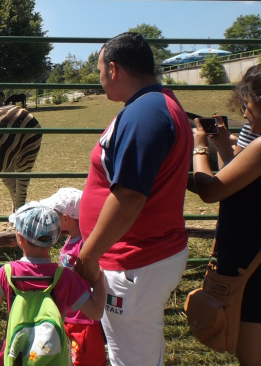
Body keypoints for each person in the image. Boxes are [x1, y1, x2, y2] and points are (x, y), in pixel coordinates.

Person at [74, 32, 193, 365]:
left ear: (113, 69)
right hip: (140, 255)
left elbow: (128, 197)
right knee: (130, 350)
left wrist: (88, 255)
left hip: (135, 260)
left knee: (131, 357)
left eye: (99, 72)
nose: (100, 81)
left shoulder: (144, 113)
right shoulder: (154, 105)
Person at [0, 202, 106, 366]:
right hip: (52, 357)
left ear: (19, 238)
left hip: (14, 355)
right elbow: (95, 312)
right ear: (56, 239)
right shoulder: (64, 277)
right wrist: (101, 276)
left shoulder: (7, 273)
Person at [192, 64, 261, 365]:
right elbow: (242, 185)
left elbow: (211, 190)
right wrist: (222, 146)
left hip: (253, 270)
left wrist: (199, 149)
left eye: (248, 104)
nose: (244, 112)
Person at [40, 187, 106, 365]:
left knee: (86, 360)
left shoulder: (85, 246)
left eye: (55, 216)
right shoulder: (71, 241)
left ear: (66, 219)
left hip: (84, 320)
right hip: (71, 316)